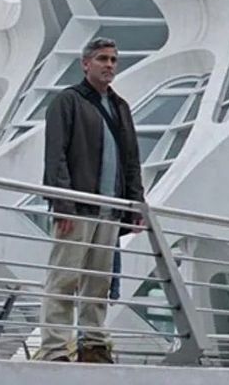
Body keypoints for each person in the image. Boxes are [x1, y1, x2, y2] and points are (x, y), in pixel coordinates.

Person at [35, 37, 145, 363]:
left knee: (98, 282)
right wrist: (62, 203)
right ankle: (55, 348)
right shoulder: (67, 102)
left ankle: (93, 344)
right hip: (78, 206)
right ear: (86, 64)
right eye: (102, 59)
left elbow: (131, 159)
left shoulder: (120, 106)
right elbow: (55, 156)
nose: (109, 65)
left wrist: (135, 204)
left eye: (113, 59)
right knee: (64, 278)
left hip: (110, 209)